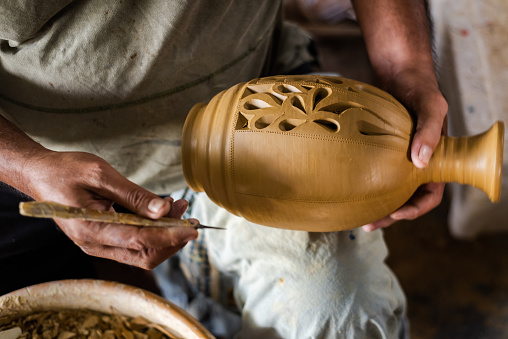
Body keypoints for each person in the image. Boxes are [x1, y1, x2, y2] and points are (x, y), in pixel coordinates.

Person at [0, 0, 447, 337]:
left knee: (335, 306)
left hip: (270, 113)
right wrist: (28, 166)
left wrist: (405, 65)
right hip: (44, 165)